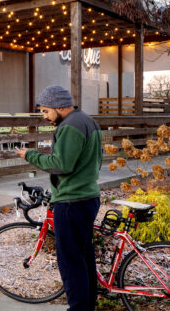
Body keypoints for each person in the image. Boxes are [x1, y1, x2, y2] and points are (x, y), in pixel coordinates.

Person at [16, 85, 103, 311]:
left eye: (46, 111)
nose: (44, 116)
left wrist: (30, 155)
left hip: (72, 201)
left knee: (70, 262)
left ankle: (78, 308)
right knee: (83, 258)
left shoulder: (70, 126)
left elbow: (60, 164)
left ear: (59, 106)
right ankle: (86, 306)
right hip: (87, 197)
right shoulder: (87, 121)